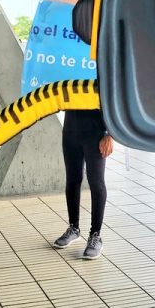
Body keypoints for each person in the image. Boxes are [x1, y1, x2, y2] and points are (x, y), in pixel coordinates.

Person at [52, 109, 113, 259]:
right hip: (70, 130)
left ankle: (95, 236)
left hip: (96, 131)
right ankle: (74, 228)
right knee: (72, 179)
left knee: (96, 182)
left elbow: (114, 98)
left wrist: (111, 134)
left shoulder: (102, 83)